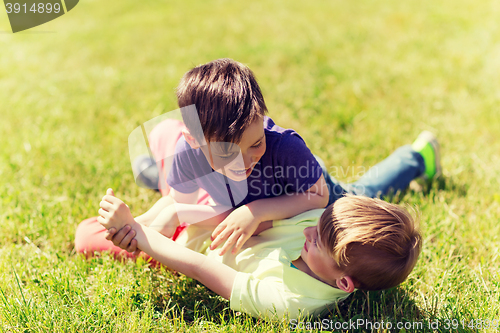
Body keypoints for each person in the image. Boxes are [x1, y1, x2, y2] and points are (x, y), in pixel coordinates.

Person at [97, 191, 422, 319]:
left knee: (88, 237)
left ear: (344, 283)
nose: (310, 230)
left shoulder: (290, 302)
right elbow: (240, 215)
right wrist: (178, 210)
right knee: (169, 136)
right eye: (319, 224)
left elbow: (199, 267)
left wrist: (140, 233)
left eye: (317, 242)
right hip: (204, 208)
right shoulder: (324, 230)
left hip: (178, 245)